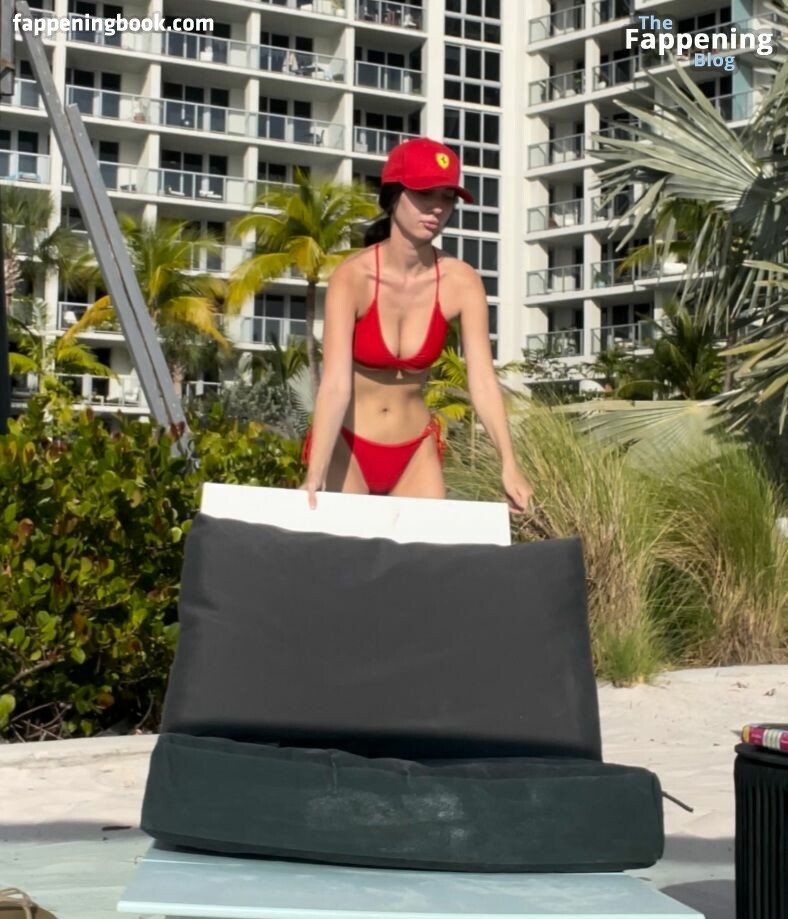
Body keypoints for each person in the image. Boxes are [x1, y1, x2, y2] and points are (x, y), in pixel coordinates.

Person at [300, 137, 534, 513]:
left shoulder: (462, 281)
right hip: (349, 444)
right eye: (424, 194)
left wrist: (509, 463)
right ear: (393, 196)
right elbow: (335, 384)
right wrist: (315, 473)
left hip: (415, 451)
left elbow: (482, 380)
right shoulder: (352, 278)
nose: (437, 208)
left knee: (425, 550)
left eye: (447, 197)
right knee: (344, 548)